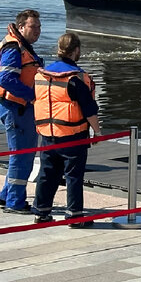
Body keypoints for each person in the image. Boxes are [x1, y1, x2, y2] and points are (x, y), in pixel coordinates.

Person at [32, 32, 100, 226]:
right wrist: (98, 131)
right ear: (76, 50)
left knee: (47, 173)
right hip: (73, 135)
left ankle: (41, 212)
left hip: (48, 133)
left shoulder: (42, 74)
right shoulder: (77, 78)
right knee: (73, 176)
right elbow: (89, 110)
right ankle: (74, 216)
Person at [0, 10, 43, 214]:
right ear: (20, 27)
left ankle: (6, 195)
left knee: (21, 155)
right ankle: (15, 202)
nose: (37, 31)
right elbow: (6, 79)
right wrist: (31, 96)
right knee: (22, 156)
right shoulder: (13, 48)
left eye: (39, 26)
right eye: (33, 26)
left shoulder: (21, 46)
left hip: (19, 108)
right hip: (17, 109)